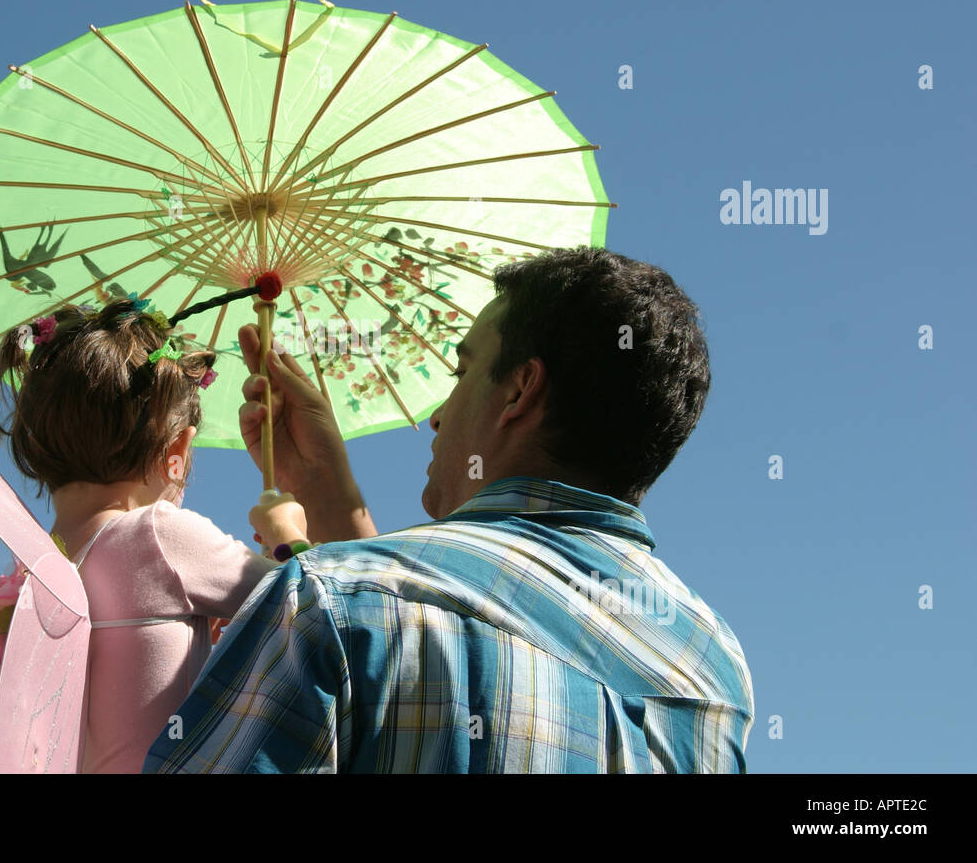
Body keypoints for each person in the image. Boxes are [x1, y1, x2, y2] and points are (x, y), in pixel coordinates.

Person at [142, 247, 754, 773]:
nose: (438, 414)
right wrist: (326, 490)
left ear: (519, 390)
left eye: (463, 373)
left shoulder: (331, 602)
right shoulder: (713, 669)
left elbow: (398, 617)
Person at [0, 295, 301, 773]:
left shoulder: (27, 571)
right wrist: (289, 536)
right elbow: (316, 605)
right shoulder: (157, 535)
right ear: (178, 448)